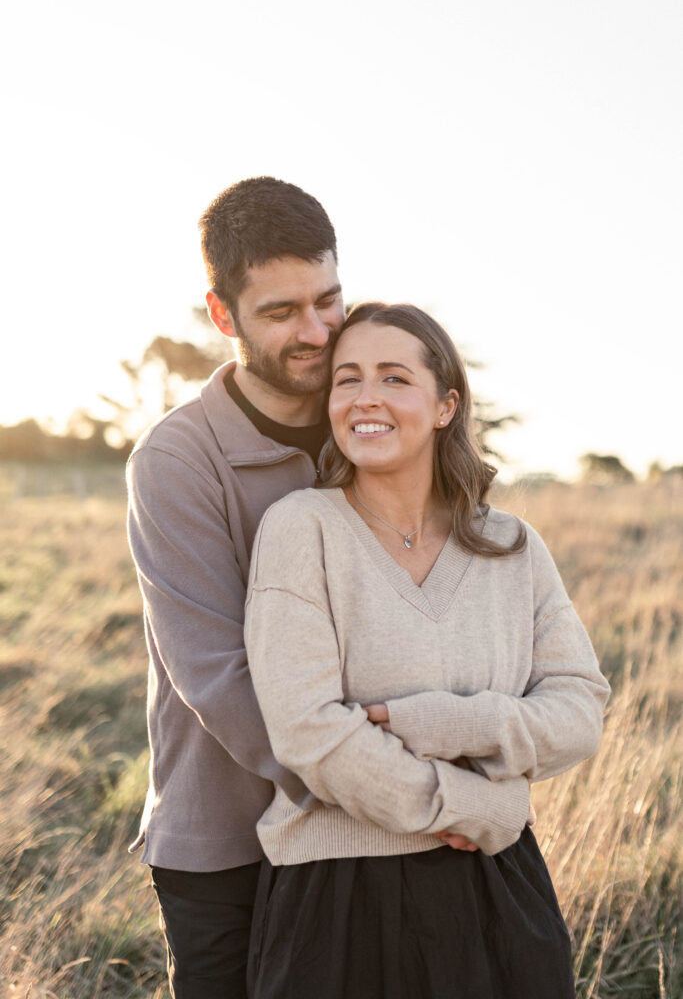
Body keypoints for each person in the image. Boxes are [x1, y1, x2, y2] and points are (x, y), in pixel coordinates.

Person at [244, 302, 611, 999]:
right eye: (346, 380)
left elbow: (579, 708)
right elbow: (307, 730)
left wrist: (457, 723)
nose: (365, 399)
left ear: (445, 405)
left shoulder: (511, 544)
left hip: (497, 890)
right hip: (337, 900)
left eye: (392, 378)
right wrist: (468, 805)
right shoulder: (301, 529)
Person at [126, 176, 345, 998]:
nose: (316, 331)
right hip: (223, 841)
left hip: (357, 834)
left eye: (327, 299)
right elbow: (215, 675)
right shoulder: (176, 461)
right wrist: (367, 786)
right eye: (282, 312)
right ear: (223, 317)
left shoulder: (371, 417)